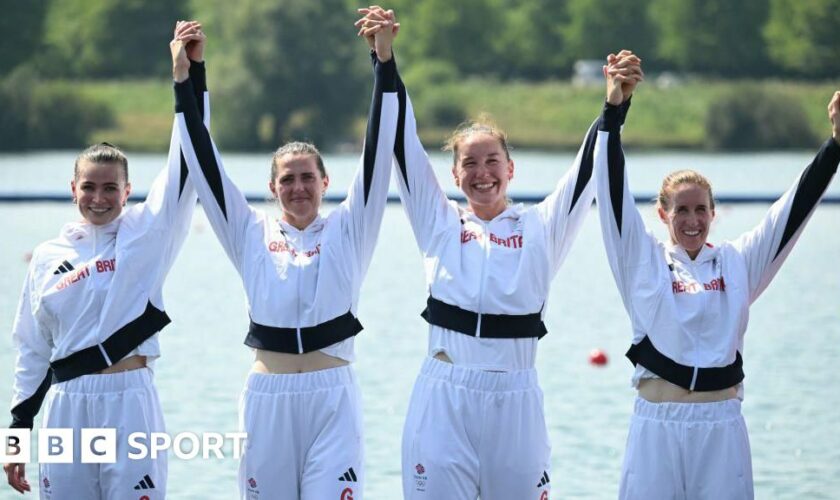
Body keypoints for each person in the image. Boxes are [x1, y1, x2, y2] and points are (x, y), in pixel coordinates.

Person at [355, 7, 639, 499]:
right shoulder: (438, 221)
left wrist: (614, 107)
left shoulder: (542, 226)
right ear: (455, 176)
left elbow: (587, 170)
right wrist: (384, 59)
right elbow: (399, 141)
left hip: (516, 400)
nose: (482, 172)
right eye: (470, 163)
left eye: (492, 162)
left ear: (511, 170)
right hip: (444, 398)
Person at [173, 13, 400, 500]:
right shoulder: (248, 231)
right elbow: (202, 161)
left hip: (332, 398)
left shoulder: (350, 227)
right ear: (272, 188)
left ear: (325, 184)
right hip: (267, 400)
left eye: (307, 178)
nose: (299, 187)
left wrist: (382, 60)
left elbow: (379, 152)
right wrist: (189, 78)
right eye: (288, 179)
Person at [595, 51, 840, 499]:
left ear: (714, 213)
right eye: (681, 210)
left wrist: (837, 144)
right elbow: (610, 195)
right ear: (662, 213)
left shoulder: (737, 262)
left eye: (701, 210)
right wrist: (614, 113)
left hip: (721, 429)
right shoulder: (641, 262)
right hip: (657, 427)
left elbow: (792, 212)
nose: (692, 220)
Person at [2, 21, 207, 499]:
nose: (99, 198)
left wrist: (189, 75)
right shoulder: (48, 257)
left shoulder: (147, 234)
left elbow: (188, 156)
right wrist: (15, 438)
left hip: (130, 401)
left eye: (110, 188)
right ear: (73, 189)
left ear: (128, 192)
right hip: (67, 404)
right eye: (89, 187)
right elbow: (31, 352)